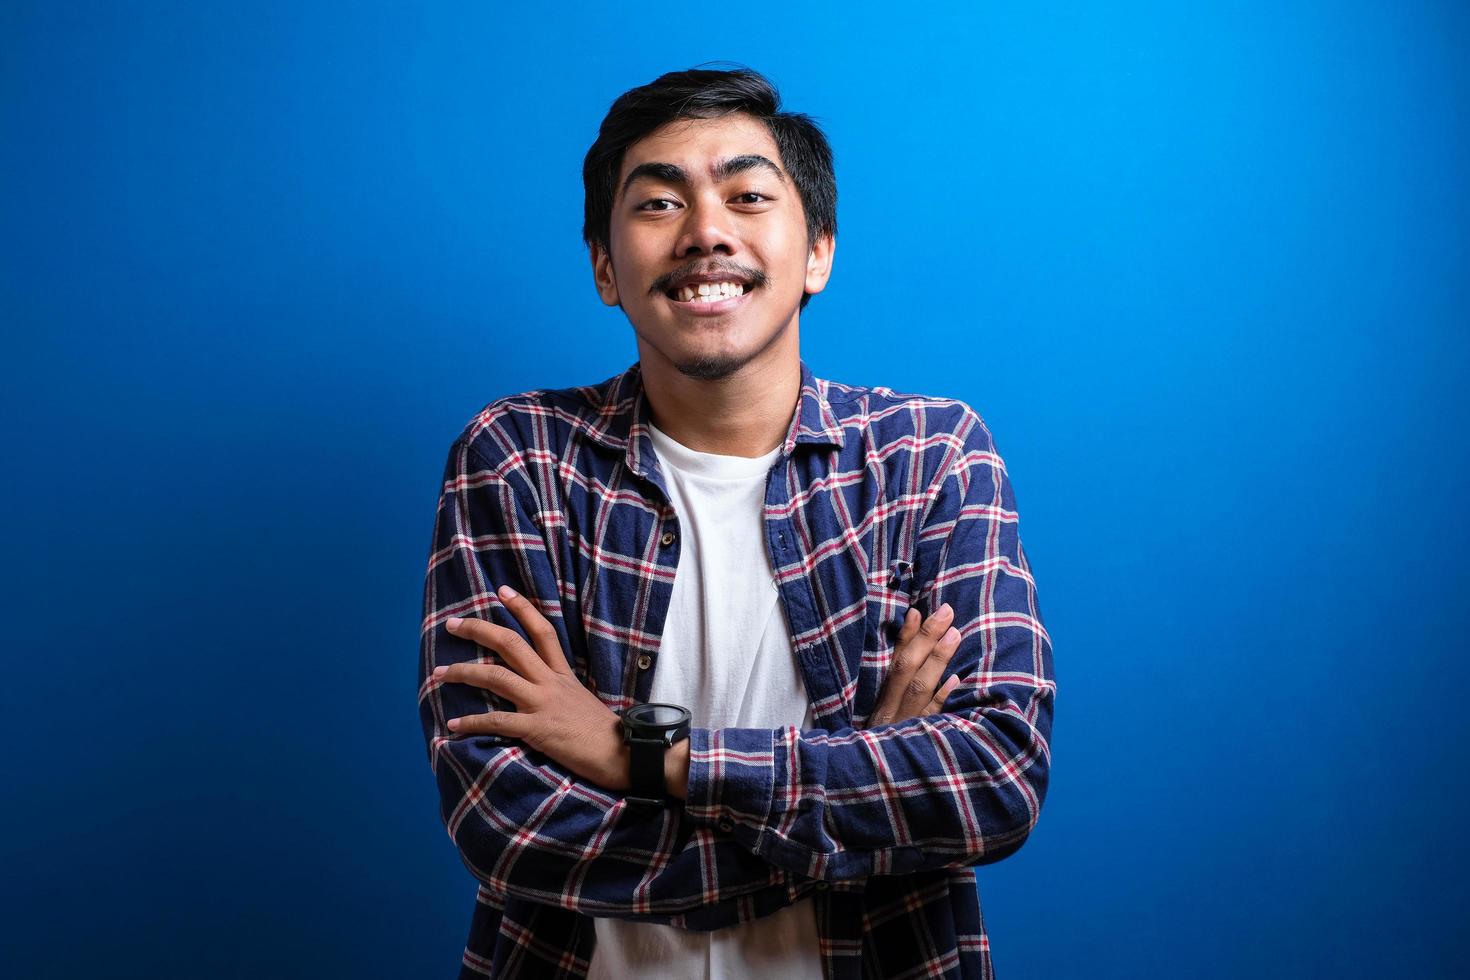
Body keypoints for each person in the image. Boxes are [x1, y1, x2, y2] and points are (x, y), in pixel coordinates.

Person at [418, 66, 1055, 980]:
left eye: (749, 195)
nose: (706, 232)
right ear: (605, 265)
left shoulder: (932, 455)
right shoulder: (520, 459)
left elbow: (993, 780)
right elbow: (506, 819)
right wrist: (861, 787)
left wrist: (635, 755)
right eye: (658, 204)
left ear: (818, 251)